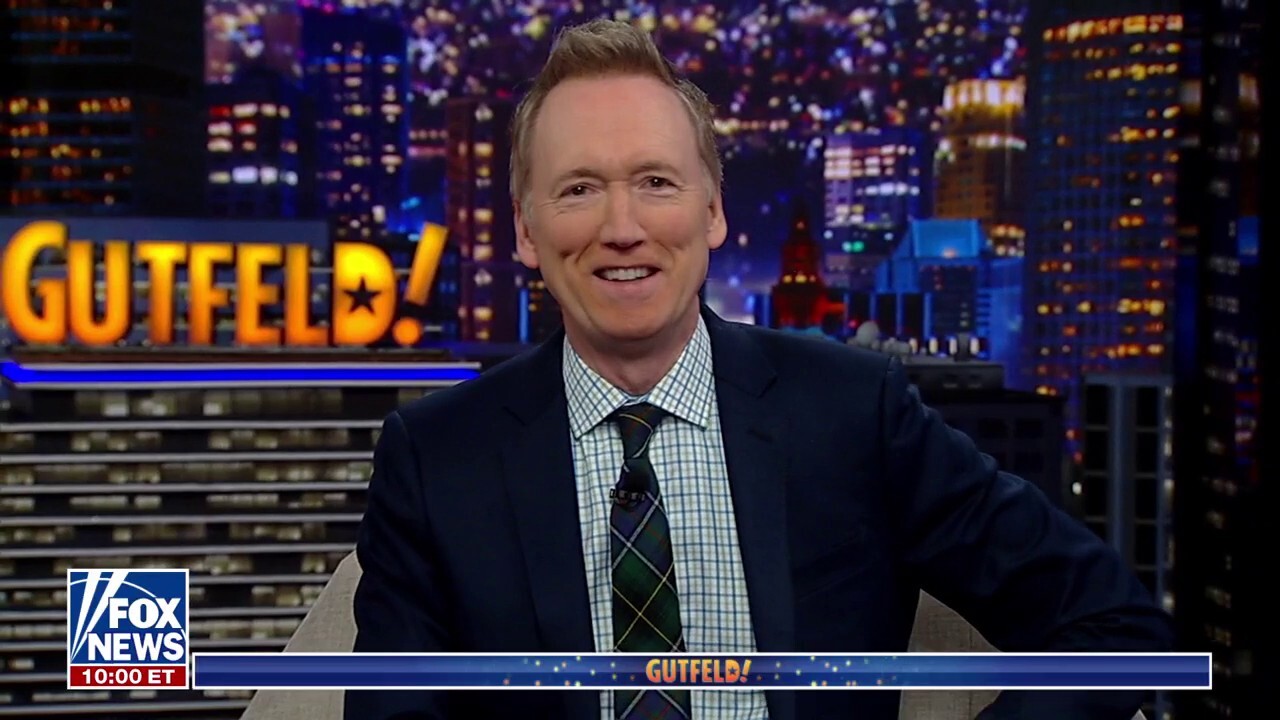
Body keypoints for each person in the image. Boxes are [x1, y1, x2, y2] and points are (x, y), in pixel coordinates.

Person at [344, 18, 1173, 720]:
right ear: (526, 230)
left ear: (712, 211)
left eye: (656, 181)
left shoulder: (854, 413)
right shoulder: (435, 459)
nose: (622, 226)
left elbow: (1112, 629)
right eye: (579, 190)